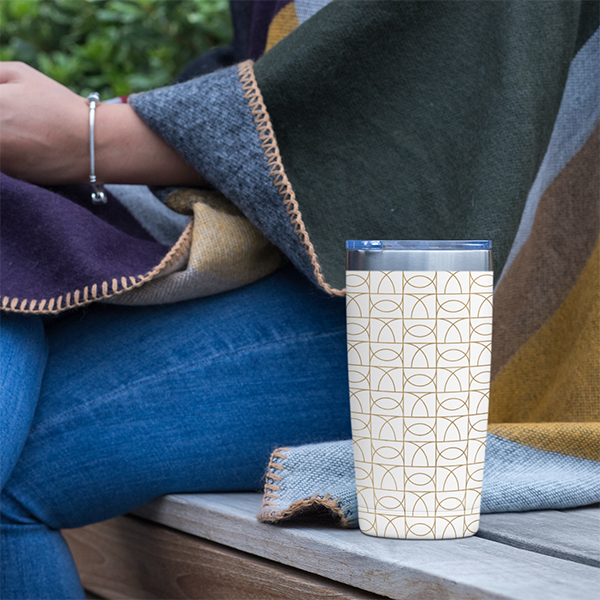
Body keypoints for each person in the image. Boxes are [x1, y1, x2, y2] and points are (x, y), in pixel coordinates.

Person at [1, 1, 598, 597]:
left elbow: (423, 107)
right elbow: (281, 54)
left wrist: (94, 135)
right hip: (314, 275)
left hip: (440, 310)